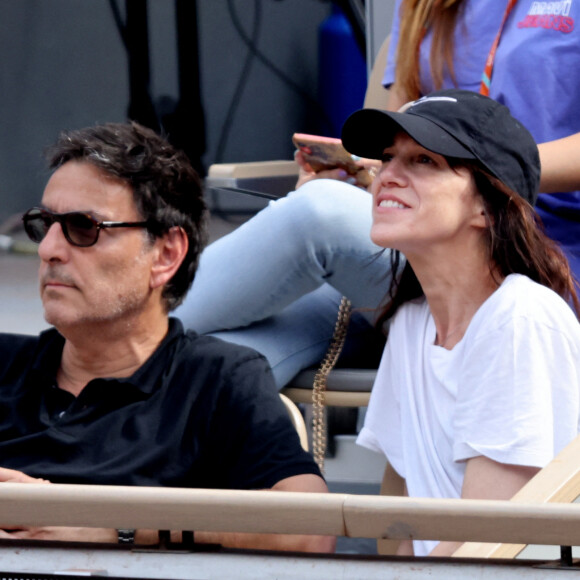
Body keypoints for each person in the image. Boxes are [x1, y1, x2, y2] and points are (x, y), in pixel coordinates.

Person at [174, 0, 580, 388]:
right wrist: (355, 175)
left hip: (535, 257)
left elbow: (431, 167)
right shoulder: (423, 5)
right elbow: (396, 147)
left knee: (319, 212)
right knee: (217, 361)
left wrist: (490, 167)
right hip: (415, 254)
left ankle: (121, 329)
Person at [0, 121, 334, 553]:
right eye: (43, 224)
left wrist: (115, 529)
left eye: (83, 227)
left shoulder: (214, 379)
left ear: (166, 254)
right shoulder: (5, 362)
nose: (48, 249)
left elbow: (311, 531)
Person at [341, 88, 580, 557]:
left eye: (424, 161)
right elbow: (399, 513)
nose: (387, 175)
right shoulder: (412, 322)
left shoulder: (520, 318)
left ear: (486, 207)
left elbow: (485, 541)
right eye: (388, 158)